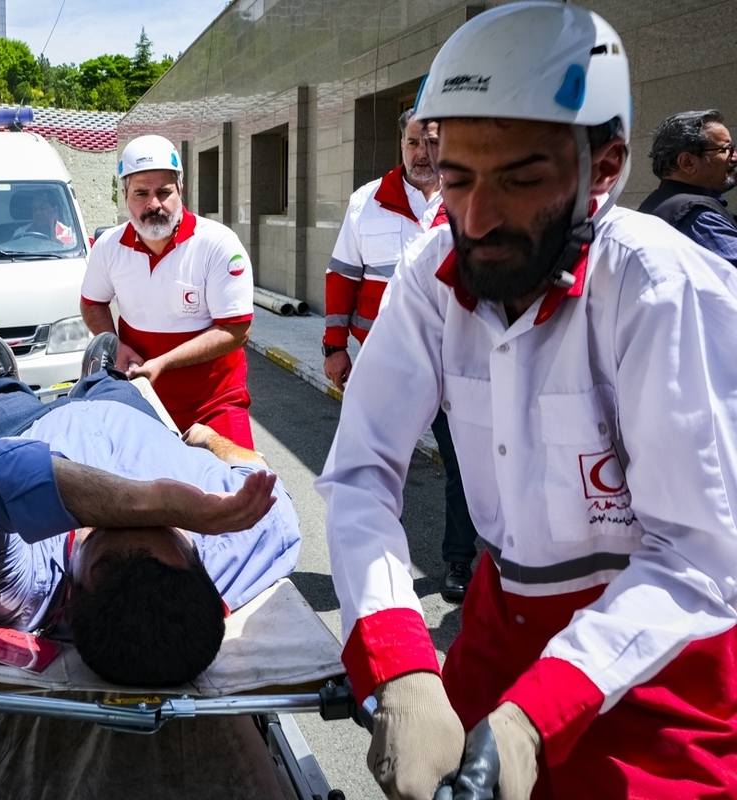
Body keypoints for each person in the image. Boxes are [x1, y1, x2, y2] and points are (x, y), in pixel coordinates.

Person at [315, 4, 737, 799]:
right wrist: (399, 658)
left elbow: (699, 556)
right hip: (494, 622)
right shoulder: (432, 272)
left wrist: (531, 719)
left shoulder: (660, 290)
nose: (475, 219)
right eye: (458, 177)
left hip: (655, 665)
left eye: (520, 179)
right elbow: (361, 468)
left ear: (603, 168)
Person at [0, 332, 300, 686]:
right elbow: (259, 471)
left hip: (27, 428)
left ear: (71, 594)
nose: (136, 518)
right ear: (201, 568)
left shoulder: (26, 592)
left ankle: (5, 383)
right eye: (166, 526)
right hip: (128, 414)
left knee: (8, 401)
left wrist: (155, 503)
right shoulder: (245, 535)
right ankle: (100, 375)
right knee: (115, 383)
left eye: (103, 529)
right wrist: (209, 438)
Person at [323, 109, 479, 602]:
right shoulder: (366, 202)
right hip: (383, 365)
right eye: (413, 142)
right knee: (372, 465)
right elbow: (343, 275)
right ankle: (374, 565)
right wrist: (334, 346)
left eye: (432, 142)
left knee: (465, 467)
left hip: (456, 366)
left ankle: (459, 561)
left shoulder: (470, 200)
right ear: (401, 144)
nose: (421, 153)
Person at [80, 135, 257, 448]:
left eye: (164, 192)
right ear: (124, 195)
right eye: (141, 193)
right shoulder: (108, 247)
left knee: (241, 488)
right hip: (140, 401)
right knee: (145, 494)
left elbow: (236, 330)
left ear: (181, 191)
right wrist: (117, 346)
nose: (153, 204)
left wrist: (163, 362)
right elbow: (93, 304)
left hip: (215, 405)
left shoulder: (217, 244)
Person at [637, 109, 737, 267]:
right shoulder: (699, 218)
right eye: (726, 149)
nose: (734, 156)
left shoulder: (659, 202)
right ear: (687, 163)